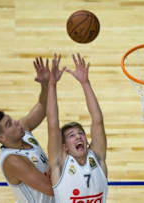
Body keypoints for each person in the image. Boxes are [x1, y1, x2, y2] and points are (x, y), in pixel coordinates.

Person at [0, 56, 64, 203]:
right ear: (2, 138)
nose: (16, 122)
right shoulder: (13, 160)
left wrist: (46, 85)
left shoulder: (22, 130)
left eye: (11, 119)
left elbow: (42, 106)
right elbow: (51, 188)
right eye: (9, 124)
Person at [46, 53, 108, 202]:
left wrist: (85, 83)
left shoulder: (97, 158)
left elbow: (97, 121)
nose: (79, 136)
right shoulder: (59, 164)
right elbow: (52, 124)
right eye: (71, 135)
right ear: (64, 146)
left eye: (81, 133)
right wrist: (52, 85)